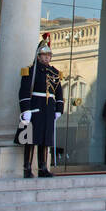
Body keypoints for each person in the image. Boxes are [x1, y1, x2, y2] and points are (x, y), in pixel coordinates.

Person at [19, 33, 64, 178]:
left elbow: (59, 93)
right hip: (35, 106)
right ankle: (27, 168)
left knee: (45, 138)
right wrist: (26, 109)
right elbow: (24, 91)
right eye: (44, 55)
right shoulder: (30, 71)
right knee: (30, 138)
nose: (47, 57)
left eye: (48, 55)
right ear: (38, 56)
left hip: (48, 108)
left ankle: (43, 167)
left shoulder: (55, 73)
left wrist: (59, 109)